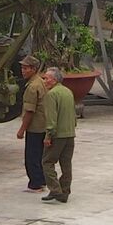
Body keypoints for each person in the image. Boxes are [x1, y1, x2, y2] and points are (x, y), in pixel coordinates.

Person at [40, 67, 78, 203]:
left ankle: (56, 190)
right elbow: (74, 114)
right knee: (66, 164)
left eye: (46, 78)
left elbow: (51, 118)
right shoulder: (68, 92)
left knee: (47, 162)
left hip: (58, 135)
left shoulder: (51, 94)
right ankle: (65, 190)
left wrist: (48, 135)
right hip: (70, 133)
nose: (44, 81)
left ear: (54, 80)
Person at [15, 55, 49, 193]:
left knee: (32, 156)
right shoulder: (41, 82)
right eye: (22, 68)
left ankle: (35, 183)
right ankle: (41, 181)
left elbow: (29, 111)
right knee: (40, 155)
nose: (23, 71)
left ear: (34, 69)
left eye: (26, 68)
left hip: (35, 127)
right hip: (43, 125)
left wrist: (22, 129)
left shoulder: (32, 87)